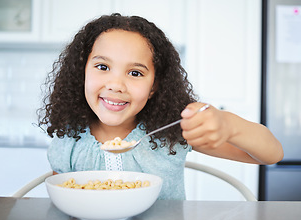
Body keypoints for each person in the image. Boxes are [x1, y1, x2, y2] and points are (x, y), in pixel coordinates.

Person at [38, 13, 283, 200]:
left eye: (135, 72)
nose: (116, 85)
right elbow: (63, 202)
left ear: (154, 86)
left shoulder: (171, 135)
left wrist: (230, 126)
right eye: (102, 67)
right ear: (82, 73)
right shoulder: (68, 140)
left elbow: (271, 155)